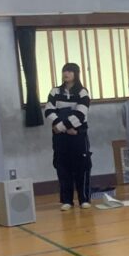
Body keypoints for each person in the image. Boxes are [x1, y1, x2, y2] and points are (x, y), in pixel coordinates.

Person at [45, 63, 92, 211]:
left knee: (82, 167)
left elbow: (81, 113)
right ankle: (67, 200)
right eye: (64, 71)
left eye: (70, 71)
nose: (66, 74)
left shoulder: (83, 92)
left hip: (78, 135)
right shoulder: (55, 91)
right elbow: (49, 110)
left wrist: (62, 127)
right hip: (61, 136)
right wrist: (63, 128)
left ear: (76, 74)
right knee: (62, 167)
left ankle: (84, 199)